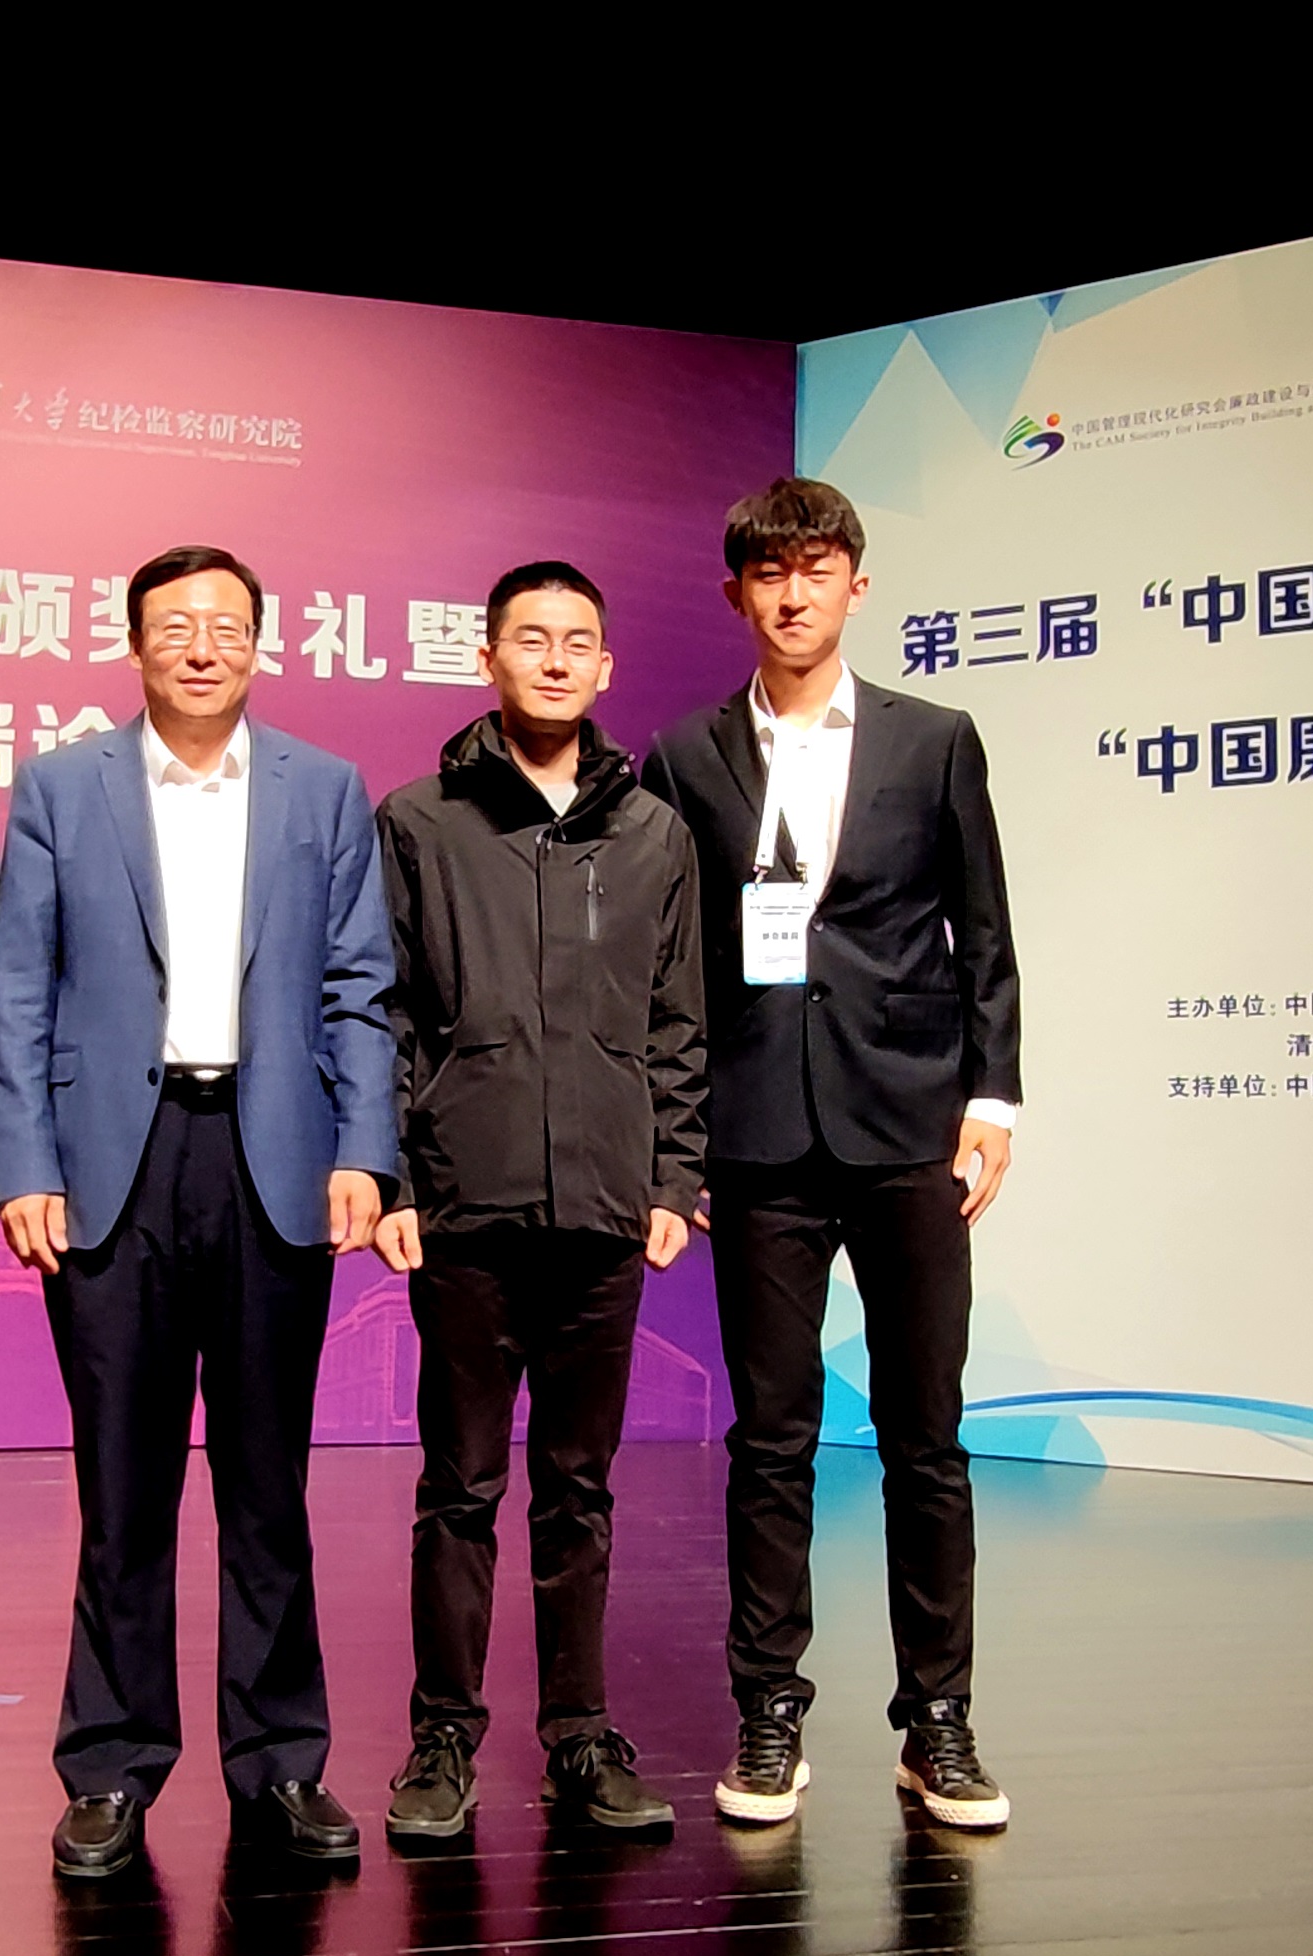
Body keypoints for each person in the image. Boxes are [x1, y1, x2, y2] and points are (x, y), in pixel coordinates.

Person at [0, 544, 401, 1878]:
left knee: (268, 1483)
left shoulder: (323, 789)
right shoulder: (63, 787)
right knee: (123, 1484)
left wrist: (366, 1148)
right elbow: (19, 989)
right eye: (175, 627)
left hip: (274, 1153)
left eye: (225, 625)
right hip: (116, 1159)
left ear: (261, 644)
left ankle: (281, 1760)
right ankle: (110, 1763)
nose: (202, 646)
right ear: (134, 645)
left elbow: (360, 987)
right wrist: (23, 1163)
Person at [639, 478, 1024, 1833]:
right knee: (770, 1437)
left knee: (926, 1435)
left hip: (909, 1122)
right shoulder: (683, 755)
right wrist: (673, 1135)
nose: (792, 593)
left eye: (816, 568)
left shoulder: (933, 740)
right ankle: (768, 1708)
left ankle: (939, 1719)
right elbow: (666, 959)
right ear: (736, 593)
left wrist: (994, 1100)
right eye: (769, 573)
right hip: (755, 1137)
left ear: (856, 584)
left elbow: (984, 932)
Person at [366, 559, 704, 1843]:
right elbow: (387, 1014)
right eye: (531, 639)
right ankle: (442, 1736)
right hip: (465, 1204)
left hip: (606, 1207)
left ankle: (579, 1734)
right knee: (458, 1486)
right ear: (489, 659)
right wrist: (395, 1176)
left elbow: (677, 1022)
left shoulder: (653, 829)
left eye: (578, 642)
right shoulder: (420, 819)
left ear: (605, 666)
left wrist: (673, 1174)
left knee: (580, 1487)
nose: (555, 660)